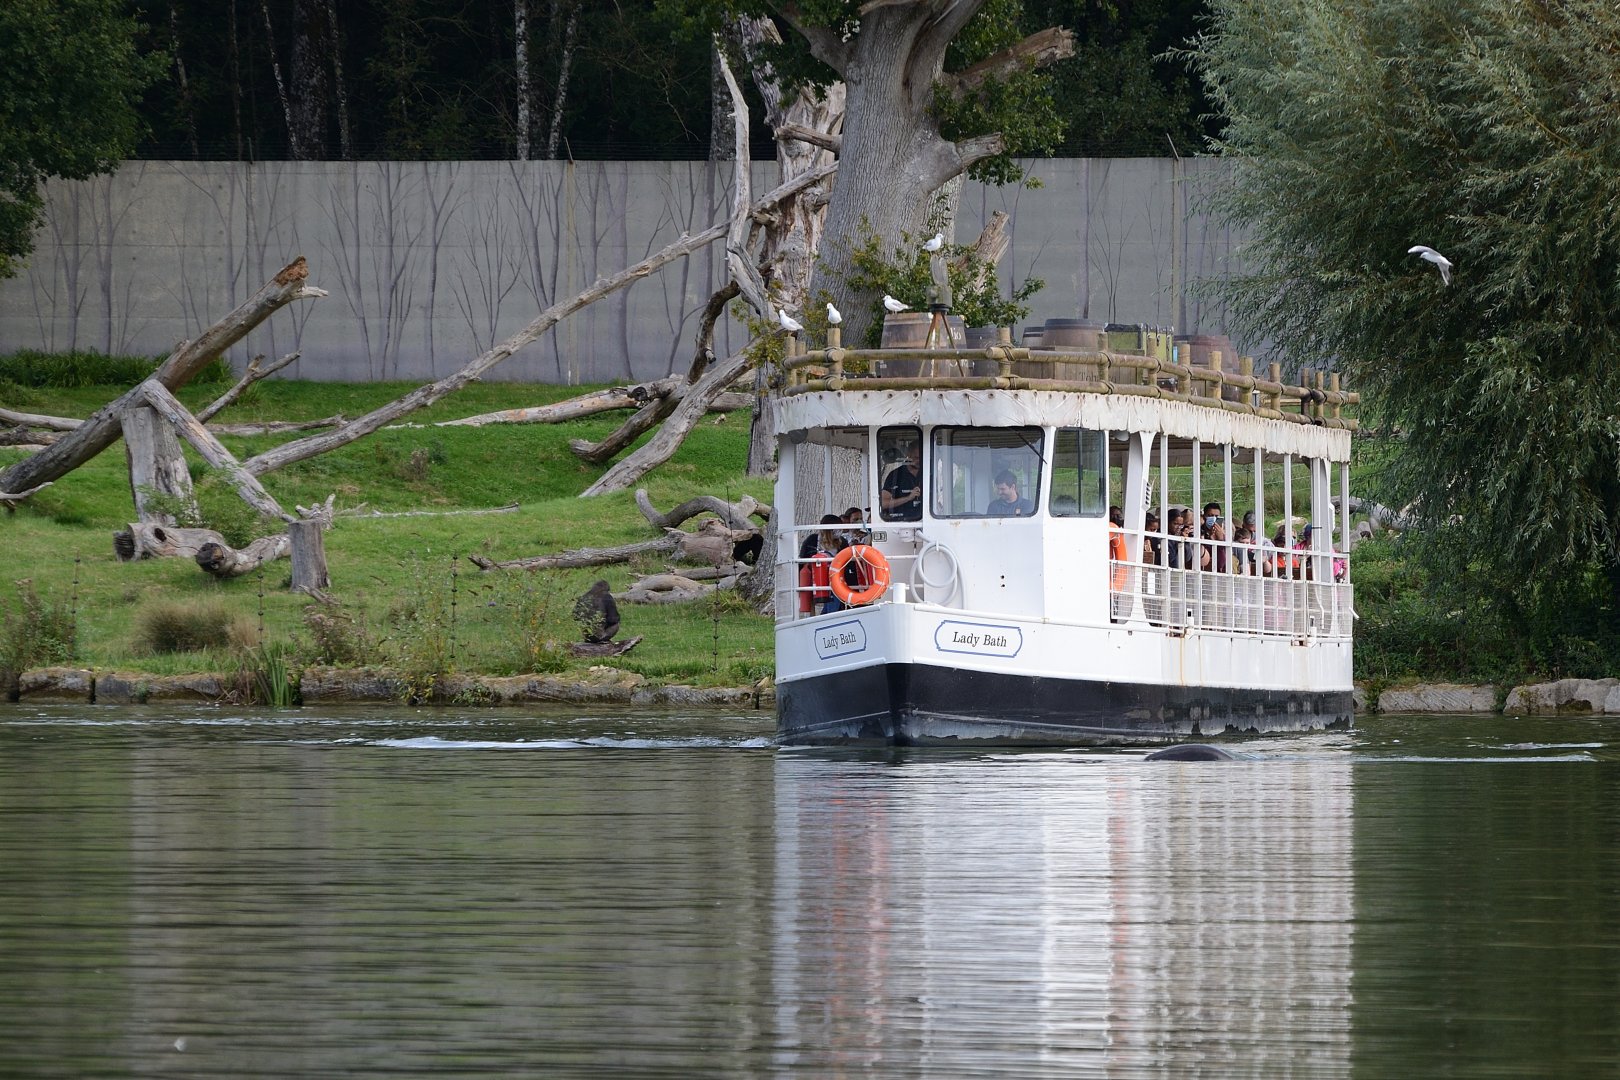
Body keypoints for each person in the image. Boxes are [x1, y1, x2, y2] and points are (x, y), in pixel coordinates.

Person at [881, 445, 923, 521]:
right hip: (899, 523)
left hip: (925, 522)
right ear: (908, 455)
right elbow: (883, 503)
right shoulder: (895, 475)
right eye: (916, 458)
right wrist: (908, 498)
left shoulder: (929, 474)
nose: (919, 461)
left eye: (922, 457)